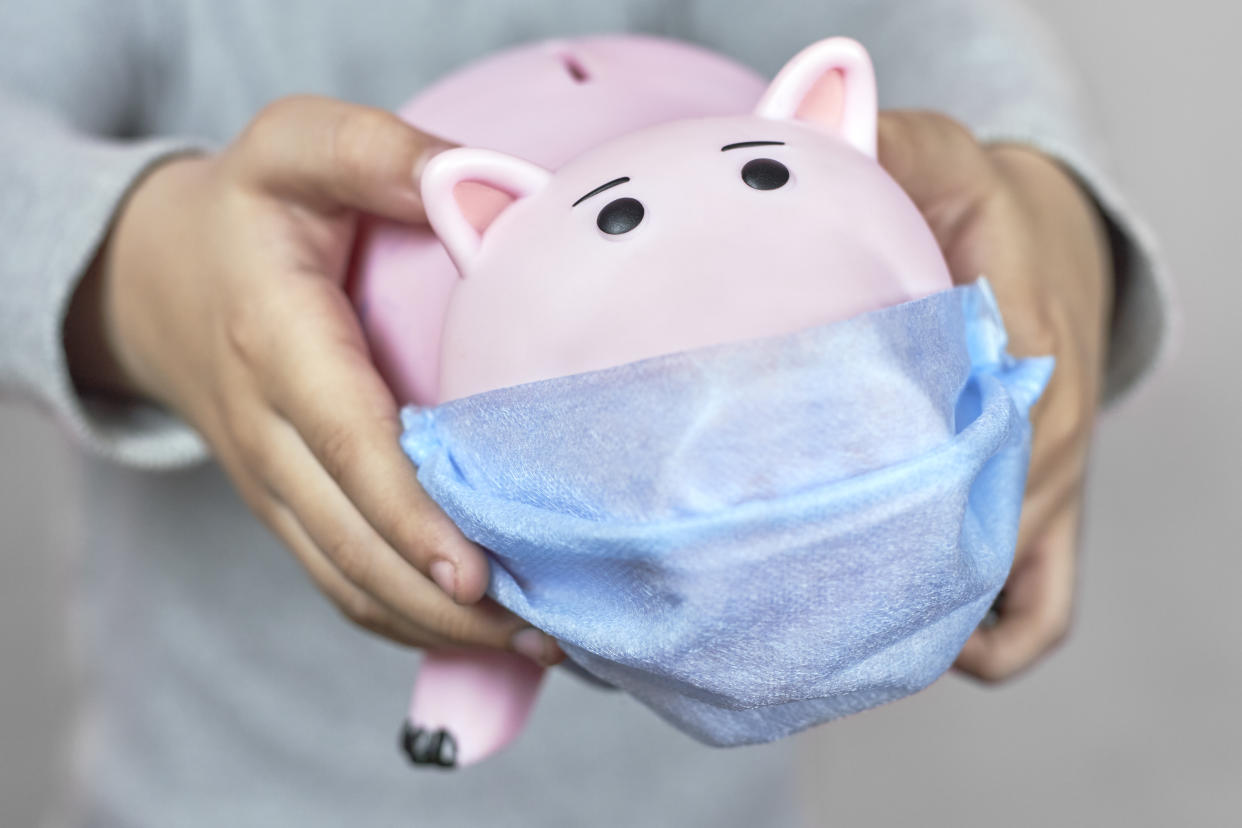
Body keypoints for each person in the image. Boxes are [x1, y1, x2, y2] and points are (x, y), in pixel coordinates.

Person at [0, 1, 1169, 825]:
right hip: (220, 799)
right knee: (480, 589)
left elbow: (936, 29)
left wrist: (1044, 193)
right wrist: (144, 273)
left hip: (715, 804)